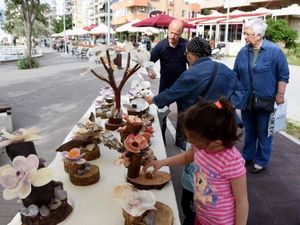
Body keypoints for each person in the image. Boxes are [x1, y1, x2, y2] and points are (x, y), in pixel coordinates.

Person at [144, 36, 244, 225]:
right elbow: (241, 92)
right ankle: (199, 202)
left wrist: (154, 100)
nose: (186, 57)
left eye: (186, 53)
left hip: (201, 127)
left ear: (191, 55)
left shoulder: (193, 73)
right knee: (205, 160)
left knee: (196, 168)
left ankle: (191, 199)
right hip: (221, 129)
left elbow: (173, 92)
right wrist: (223, 108)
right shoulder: (223, 69)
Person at [143, 98, 249, 225]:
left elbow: (241, 202)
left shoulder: (231, 161)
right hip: (201, 217)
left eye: (193, 140)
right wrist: (162, 162)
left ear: (216, 143)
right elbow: (188, 156)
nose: (189, 142)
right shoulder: (202, 148)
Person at [233, 18, 289, 174]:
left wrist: (280, 93)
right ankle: (248, 156)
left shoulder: (274, 51)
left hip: (265, 100)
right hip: (246, 100)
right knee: (250, 130)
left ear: (258, 35)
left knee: (264, 132)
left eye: (247, 33)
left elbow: (283, 74)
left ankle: (261, 161)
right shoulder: (243, 51)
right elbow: (235, 74)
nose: (244, 36)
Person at [147, 19, 188, 146]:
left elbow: (193, 63)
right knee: (161, 113)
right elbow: (149, 62)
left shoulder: (186, 45)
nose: (173, 36)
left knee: (183, 115)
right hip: (165, 85)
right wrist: (150, 70)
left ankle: (181, 141)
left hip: (182, 86)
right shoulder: (160, 46)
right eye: (171, 32)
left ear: (181, 33)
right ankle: (161, 140)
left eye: (176, 34)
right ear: (167, 30)